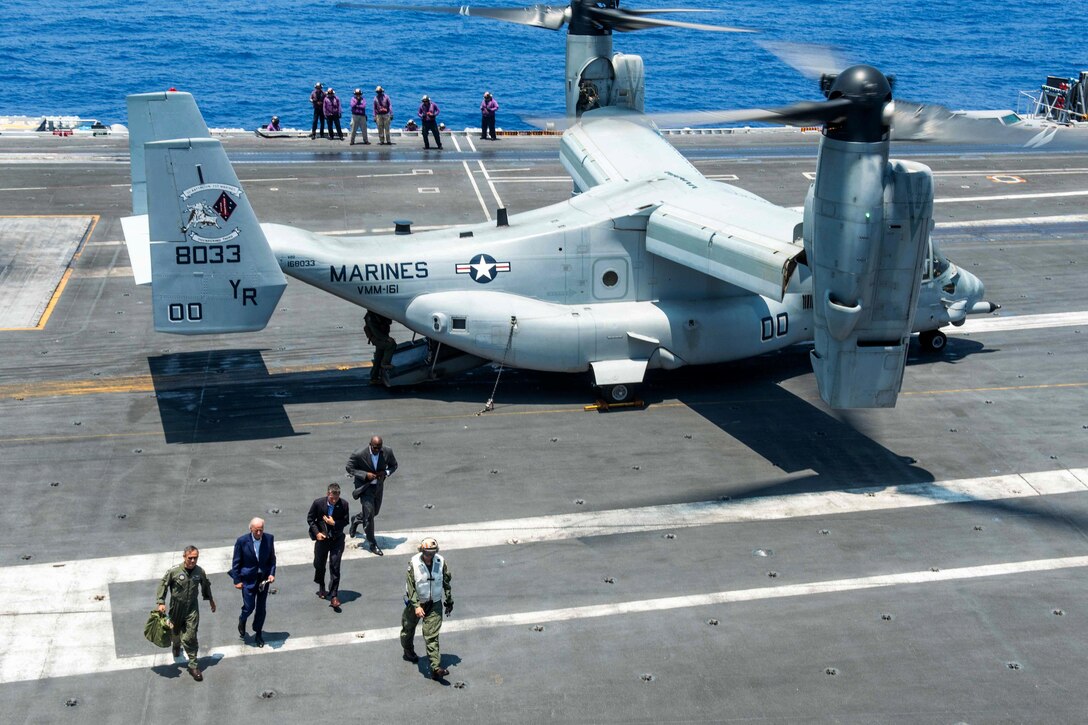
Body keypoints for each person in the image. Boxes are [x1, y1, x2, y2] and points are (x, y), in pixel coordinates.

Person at [156, 545, 216, 681]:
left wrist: (211, 600)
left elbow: (205, 585)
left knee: (190, 636)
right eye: (190, 558)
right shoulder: (174, 571)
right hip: (176, 607)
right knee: (175, 631)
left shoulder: (199, 572)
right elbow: (163, 584)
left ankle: (193, 665)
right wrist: (160, 602)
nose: (193, 561)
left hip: (192, 608)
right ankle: (176, 645)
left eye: (195, 558)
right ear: (184, 557)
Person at [400, 538, 453, 680]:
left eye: (432, 552)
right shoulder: (414, 563)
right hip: (416, 602)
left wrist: (449, 601)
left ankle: (435, 668)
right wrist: (416, 606)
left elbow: (446, 582)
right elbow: (410, 587)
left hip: (434, 603)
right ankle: (408, 651)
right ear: (422, 551)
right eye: (427, 553)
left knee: (431, 635)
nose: (430, 556)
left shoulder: (440, 562)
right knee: (407, 629)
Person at [347, 435, 399, 555]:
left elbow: (394, 465)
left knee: (375, 512)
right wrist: (365, 474)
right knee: (369, 515)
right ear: (370, 445)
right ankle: (372, 543)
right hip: (365, 488)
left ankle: (356, 519)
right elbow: (349, 467)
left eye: (379, 448)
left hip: (378, 487)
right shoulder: (359, 454)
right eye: (375, 448)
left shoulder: (387, 451)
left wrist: (385, 472)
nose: (377, 450)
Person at [229, 517, 276, 648]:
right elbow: (236, 562)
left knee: (261, 608)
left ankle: (258, 633)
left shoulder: (269, 539)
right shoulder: (242, 541)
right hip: (248, 579)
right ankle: (242, 619)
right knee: (249, 607)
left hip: (263, 579)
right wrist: (237, 580)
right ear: (251, 529)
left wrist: (272, 573)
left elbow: (272, 559)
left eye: (261, 530)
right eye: (256, 531)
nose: (259, 533)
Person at [307, 482, 349, 609]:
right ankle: (321, 586)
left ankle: (334, 594)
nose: (334, 500)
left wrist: (334, 523)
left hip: (337, 539)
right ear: (327, 494)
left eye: (336, 498)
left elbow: (346, 521)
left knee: (335, 566)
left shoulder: (344, 504)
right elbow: (310, 519)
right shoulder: (318, 503)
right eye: (332, 498)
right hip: (323, 539)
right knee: (319, 564)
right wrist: (317, 533)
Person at [364, 309, 396, 383]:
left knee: (379, 356)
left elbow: (389, 322)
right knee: (391, 345)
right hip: (377, 338)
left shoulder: (378, 313)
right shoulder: (371, 317)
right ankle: (385, 363)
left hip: (381, 337)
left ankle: (374, 377)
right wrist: (386, 339)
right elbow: (375, 332)